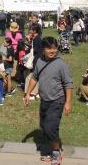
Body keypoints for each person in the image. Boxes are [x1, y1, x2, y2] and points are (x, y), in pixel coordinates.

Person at [24, 37, 73, 165]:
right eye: (49, 48)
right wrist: (28, 94)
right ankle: (53, 151)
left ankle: (56, 153)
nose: (52, 51)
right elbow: (34, 77)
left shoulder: (61, 64)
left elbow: (68, 84)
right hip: (44, 100)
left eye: (54, 48)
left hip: (57, 100)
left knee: (50, 127)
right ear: (43, 49)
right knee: (44, 128)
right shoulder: (39, 61)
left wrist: (68, 102)